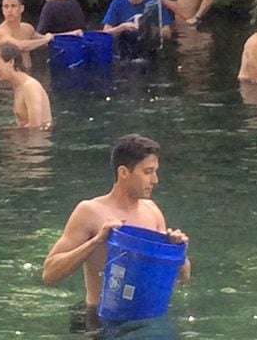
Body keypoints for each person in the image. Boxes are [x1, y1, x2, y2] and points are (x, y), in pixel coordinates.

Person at [42, 134, 190, 328]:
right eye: (148, 172)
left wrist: (178, 251)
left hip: (146, 319)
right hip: (100, 318)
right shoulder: (90, 211)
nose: (155, 180)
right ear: (123, 172)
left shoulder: (152, 211)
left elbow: (183, 278)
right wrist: (96, 241)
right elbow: (49, 273)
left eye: (155, 172)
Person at [102, 0, 173, 58]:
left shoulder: (154, 2)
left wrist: (151, 30)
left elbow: (167, 32)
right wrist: (122, 27)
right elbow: (105, 32)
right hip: (125, 51)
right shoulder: (117, 3)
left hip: (150, 50)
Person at [0, 42, 52, 129]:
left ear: (11, 62)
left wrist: (7, 131)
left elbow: (36, 126)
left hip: (35, 142)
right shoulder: (19, 87)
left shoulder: (30, 87)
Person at [0, 0, 53, 69]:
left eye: (13, 6)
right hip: (7, 77)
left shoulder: (27, 28)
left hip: (27, 73)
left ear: (21, 8)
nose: (9, 10)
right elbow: (20, 46)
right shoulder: (0, 32)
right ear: (2, 9)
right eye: (6, 6)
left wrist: (71, 33)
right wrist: (45, 40)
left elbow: (48, 39)